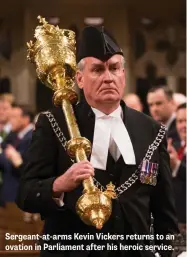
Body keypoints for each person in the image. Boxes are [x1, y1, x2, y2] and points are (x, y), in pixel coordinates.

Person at [16, 26, 178, 257]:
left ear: (123, 73)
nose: (108, 77)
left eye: (114, 68)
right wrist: (59, 184)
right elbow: (25, 194)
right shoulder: (54, 123)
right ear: (80, 79)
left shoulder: (152, 130)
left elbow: (164, 210)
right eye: (98, 70)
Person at [0, 104, 34, 204]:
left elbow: (21, 166)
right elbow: (4, 146)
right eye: (10, 117)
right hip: (10, 193)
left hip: (20, 195)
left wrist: (9, 156)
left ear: (26, 119)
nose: (10, 121)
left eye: (14, 117)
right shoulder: (15, 134)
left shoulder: (32, 137)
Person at [167, 103, 186, 234]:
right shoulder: (175, 146)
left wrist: (177, 165)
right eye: (180, 121)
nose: (183, 126)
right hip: (173, 222)